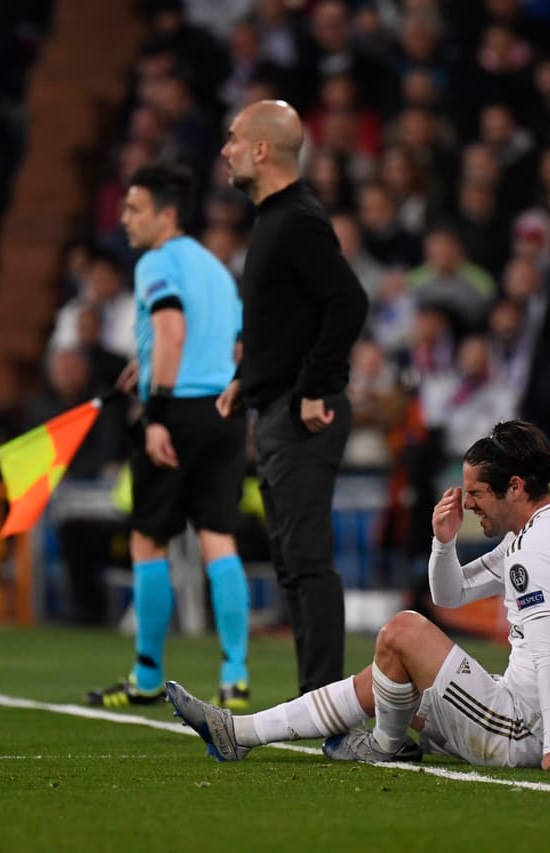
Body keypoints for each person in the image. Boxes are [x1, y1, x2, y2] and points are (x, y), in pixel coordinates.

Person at [166, 420, 550, 772]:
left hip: (522, 732)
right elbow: (450, 594)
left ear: (515, 486)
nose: (470, 504)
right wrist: (444, 542)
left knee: (403, 630)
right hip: (530, 719)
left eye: (476, 493)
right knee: (389, 667)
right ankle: (239, 732)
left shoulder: (534, 552)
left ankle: (385, 745)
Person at [215, 100, 369, 694]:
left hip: (304, 417)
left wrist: (312, 388)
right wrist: (246, 381)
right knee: (292, 565)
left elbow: (347, 302)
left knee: (306, 562)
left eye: (233, 140)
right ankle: (315, 700)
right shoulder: (276, 217)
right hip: (276, 408)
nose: (225, 150)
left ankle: (326, 704)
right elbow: (290, 322)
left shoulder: (295, 219)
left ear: (260, 149)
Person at [86, 163, 252, 710]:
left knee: (148, 539)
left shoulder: (156, 263)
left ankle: (147, 674)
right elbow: (231, 349)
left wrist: (155, 411)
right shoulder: (217, 269)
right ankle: (234, 675)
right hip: (225, 412)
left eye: (134, 209)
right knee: (217, 536)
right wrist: (148, 360)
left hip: (175, 411)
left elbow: (172, 329)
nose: (124, 218)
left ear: (166, 214)